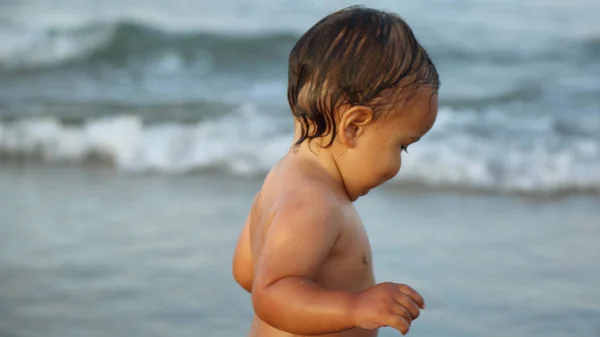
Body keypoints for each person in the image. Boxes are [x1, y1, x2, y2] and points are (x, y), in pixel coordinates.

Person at [232, 5, 440, 337]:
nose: (398, 166)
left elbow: (246, 272)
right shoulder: (314, 204)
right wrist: (355, 308)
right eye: (401, 146)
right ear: (355, 127)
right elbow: (268, 294)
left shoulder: (281, 180)